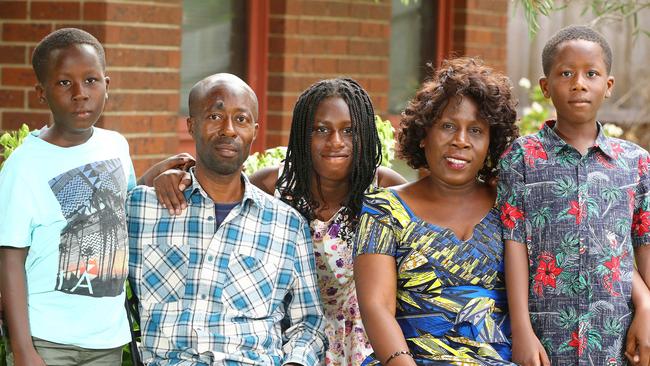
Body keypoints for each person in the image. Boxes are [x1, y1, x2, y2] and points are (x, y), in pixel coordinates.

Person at [0, 28, 188, 366]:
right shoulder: (24, 166)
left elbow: (120, 201)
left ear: (107, 85)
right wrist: (23, 348)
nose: (80, 94)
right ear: (41, 93)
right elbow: (10, 258)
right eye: (63, 83)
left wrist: (158, 174)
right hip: (48, 339)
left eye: (90, 81)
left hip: (107, 338)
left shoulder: (115, 144)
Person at [127, 73, 326, 365]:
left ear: (255, 131)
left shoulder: (286, 225)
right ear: (191, 125)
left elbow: (309, 322)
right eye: (215, 116)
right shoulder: (144, 208)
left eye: (241, 119)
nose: (228, 129)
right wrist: (149, 177)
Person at [498, 25, 650, 366]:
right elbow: (515, 246)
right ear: (545, 86)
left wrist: (648, 310)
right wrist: (522, 329)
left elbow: (642, 247)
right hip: (545, 335)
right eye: (566, 73)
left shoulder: (636, 163)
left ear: (608, 86)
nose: (579, 83)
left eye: (591, 74)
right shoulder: (521, 159)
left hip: (615, 340)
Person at [353, 57, 519, 365]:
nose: (460, 141)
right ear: (424, 133)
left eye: (476, 131)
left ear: (491, 142)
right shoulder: (383, 210)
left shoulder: (510, 207)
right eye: (448, 126)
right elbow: (376, 307)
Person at [250, 78, 406, 365]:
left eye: (349, 131)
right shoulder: (272, 187)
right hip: (289, 337)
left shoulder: (386, 190)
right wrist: (165, 173)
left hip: (366, 341)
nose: (336, 142)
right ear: (301, 135)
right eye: (321, 130)